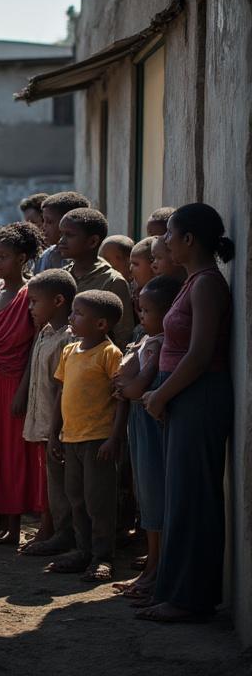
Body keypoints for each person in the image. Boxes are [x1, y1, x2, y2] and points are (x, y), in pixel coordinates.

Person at [138, 203, 235, 623]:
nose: (165, 242)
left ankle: (191, 599)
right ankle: (173, 591)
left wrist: (160, 397)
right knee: (180, 496)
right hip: (184, 398)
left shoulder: (207, 284)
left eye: (170, 235)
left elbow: (199, 355)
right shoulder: (191, 281)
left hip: (199, 397)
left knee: (194, 498)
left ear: (189, 240)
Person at [46, 289, 126, 582]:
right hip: (71, 439)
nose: (71, 317)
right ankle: (83, 551)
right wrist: (54, 434)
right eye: (73, 312)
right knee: (76, 499)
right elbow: (61, 394)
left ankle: (103, 557)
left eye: (79, 313)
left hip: (98, 440)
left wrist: (114, 438)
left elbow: (121, 399)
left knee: (98, 501)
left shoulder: (109, 353)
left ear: (101, 324)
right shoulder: (69, 351)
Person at [112, 275, 180, 602]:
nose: (141, 316)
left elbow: (132, 388)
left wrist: (127, 383)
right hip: (140, 423)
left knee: (155, 498)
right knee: (145, 496)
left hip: (152, 426)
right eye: (139, 309)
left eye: (147, 310)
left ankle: (158, 571)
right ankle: (150, 569)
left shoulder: (160, 343)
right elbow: (121, 381)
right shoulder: (145, 339)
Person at [0, 222, 47, 545]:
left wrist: (22, 390)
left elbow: (37, 344)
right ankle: (3, 523)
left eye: (4, 257)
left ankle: (18, 528)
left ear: (22, 258)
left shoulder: (30, 295)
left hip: (20, 386)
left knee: (20, 456)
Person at [19, 269, 78, 557]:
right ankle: (52, 529)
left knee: (65, 482)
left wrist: (56, 429)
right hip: (43, 419)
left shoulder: (69, 338)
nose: (30, 308)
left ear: (58, 301)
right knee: (53, 479)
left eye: (34, 302)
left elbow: (63, 388)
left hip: (61, 425)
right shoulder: (43, 332)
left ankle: (65, 534)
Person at [58, 207, 134, 345]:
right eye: (61, 234)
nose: (61, 241)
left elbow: (123, 334)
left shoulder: (112, 281)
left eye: (69, 235)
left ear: (92, 241)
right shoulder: (63, 276)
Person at [35, 191, 91, 273]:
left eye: (49, 222)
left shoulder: (89, 260)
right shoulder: (45, 257)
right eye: (43, 221)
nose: (43, 227)